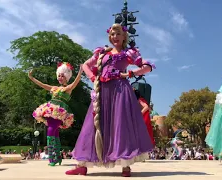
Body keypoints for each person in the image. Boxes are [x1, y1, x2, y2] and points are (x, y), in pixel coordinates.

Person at [65, 23, 155, 177]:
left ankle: (126, 166)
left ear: (124, 36)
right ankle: (82, 164)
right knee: (92, 126)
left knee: (121, 126)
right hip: (102, 91)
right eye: (113, 34)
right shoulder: (101, 52)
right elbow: (85, 65)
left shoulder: (130, 53)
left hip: (120, 91)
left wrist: (130, 74)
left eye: (118, 34)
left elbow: (147, 67)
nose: (115, 37)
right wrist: (93, 77)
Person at [30, 63, 83, 166]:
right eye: (59, 75)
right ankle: (57, 157)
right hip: (50, 111)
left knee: (51, 130)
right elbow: (42, 85)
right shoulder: (54, 88)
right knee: (54, 132)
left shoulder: (68, 88)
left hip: (60, 113)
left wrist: (80, 72)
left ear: (67, 77)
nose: (60, 77)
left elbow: (75, 82)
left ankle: (52, 158)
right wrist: (32, 78)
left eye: (62, 75)